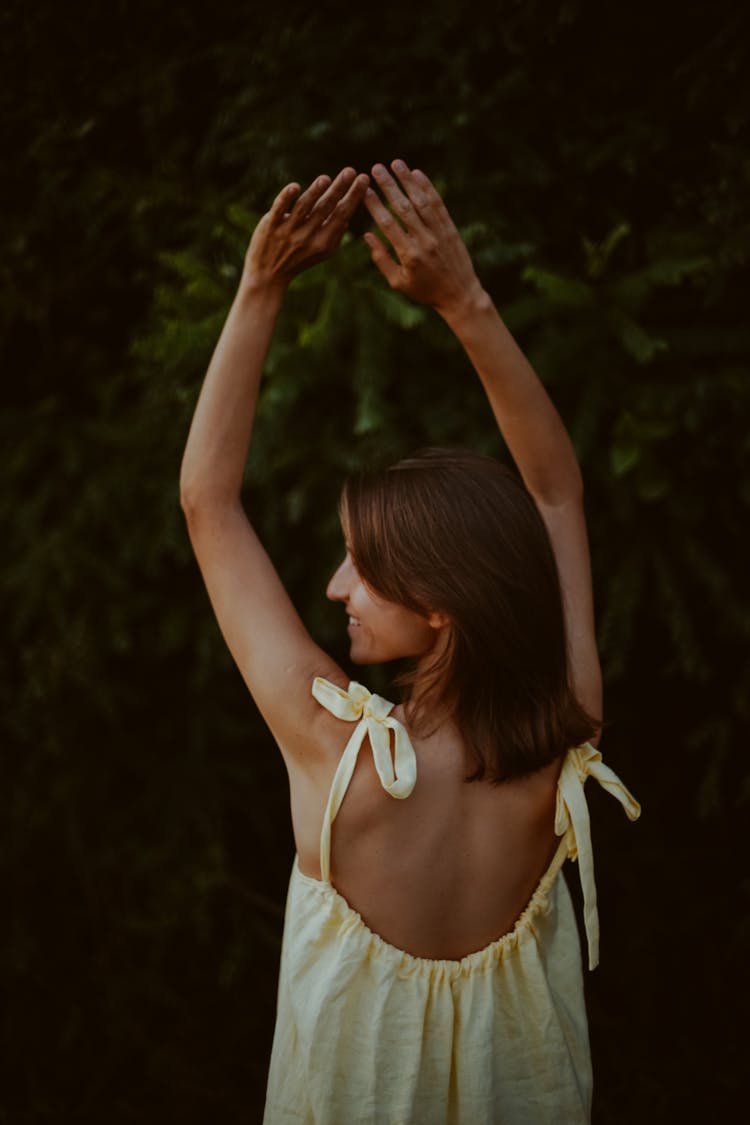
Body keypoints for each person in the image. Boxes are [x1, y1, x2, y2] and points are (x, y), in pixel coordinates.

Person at [180, 160, 640, 1124]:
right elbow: (556, 491)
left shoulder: (335, 753)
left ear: (439, 604)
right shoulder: (564, 726)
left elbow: (208, 500)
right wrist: (464, 299)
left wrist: (261, 285)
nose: (335, 586)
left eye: (361, 565)